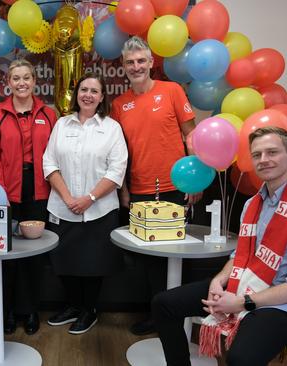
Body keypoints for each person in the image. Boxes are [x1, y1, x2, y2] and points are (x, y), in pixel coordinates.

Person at [151, 127, 287, 365]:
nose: (264, 160)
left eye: (272, 152)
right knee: (164, 304)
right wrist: (218, 281)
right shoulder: (253, 204)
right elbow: (240, 255)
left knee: (241, 358)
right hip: (242, 284)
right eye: (257, 154)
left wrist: (241, 302)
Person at [111, 36, 199, 335]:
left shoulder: (172, 90)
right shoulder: (119, 104)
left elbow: (192, 136)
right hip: (140, 190)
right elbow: (118, 153)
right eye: (130, 62)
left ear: (151, 63)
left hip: (176, 187)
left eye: (141, 61)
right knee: (149, 262)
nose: (136, 66)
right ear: (123, 67)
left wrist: (195, 178)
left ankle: (179, 318)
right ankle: (157, 316)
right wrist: (123, 190)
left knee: (177, 255)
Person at [43, 73, 128, 334]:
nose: (88, 95)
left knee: (93, 263)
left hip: (99, 210)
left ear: (102, 97)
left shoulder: (111, 128)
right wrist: (69, 199)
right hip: (63, 207)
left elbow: (117, 170)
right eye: (83, 90)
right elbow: (49, 163)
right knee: (64, 260)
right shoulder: (61, 125)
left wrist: (89, 198)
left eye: (94, 91)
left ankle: (89, 310)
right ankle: (72, 306)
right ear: (76, 94)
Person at [0, 58, 57, 335]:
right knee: (7, 252)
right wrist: (0, 190)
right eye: (16, 78)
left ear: (35, 82)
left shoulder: (49, 114)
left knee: (34, 256)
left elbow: (55, 155)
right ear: (8, 83)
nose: (22, 83)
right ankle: (8, 311)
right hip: (7, 191)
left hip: (39, 191)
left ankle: (30, 310)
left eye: (27, 77)